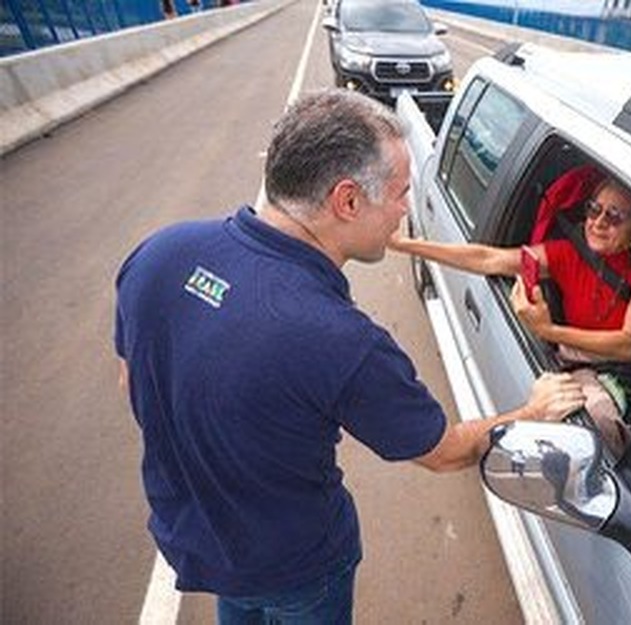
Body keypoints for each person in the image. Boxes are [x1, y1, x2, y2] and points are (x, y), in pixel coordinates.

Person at [114, 90, 585, 625]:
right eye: (401, 192)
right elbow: (442, 451)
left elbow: (133, 381)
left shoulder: (159, 252)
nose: (407, 209)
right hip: (299, 568)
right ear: (347, 201)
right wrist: (532, 412)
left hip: (200, 544)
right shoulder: (342, 340)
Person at [390, 176, 631, 458]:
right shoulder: (568, 253)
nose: (599, 222)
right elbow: (488, 259)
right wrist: (408, 245)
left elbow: (630, 344)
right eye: (594, 209)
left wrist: (549, 331)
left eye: (615, 216)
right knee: (600, 423)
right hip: (590, 369)